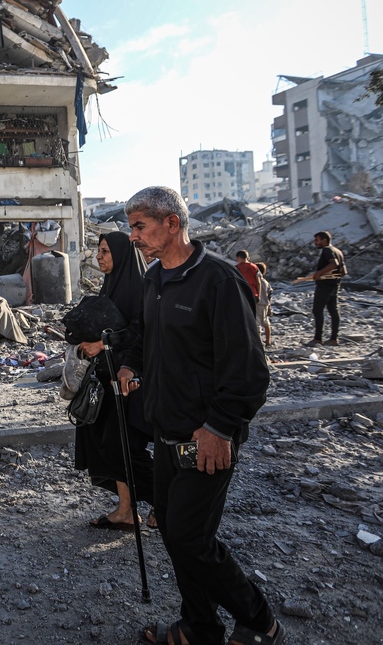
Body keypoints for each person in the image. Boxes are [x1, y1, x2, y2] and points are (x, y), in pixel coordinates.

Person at [117, 187, 283, 645]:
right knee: (175, 534)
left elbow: (249, 371)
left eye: (139, 226)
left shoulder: (219, 280)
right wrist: (131, 364)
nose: (133, 237)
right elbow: (145, 336)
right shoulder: (154, 278)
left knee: (191, 538)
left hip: (206, 436)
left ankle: (261, 623)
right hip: (166, 432)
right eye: (131, 227)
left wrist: (220, 428)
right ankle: (200, 628)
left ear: (171, 223)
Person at [75, 232, 155, 531]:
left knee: (125, 447)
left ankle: (166, 501)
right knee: (107, 444)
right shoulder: (111, 284)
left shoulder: (141, 286)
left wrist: (102, 343)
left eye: (105, 251)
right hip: (107, 378)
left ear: (121, 255)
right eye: (99, 251)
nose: (99, 256)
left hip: (130, 381)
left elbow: (141, 330)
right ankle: (126, 510)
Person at [302, 231, 344, 346]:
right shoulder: (338, 251)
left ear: (324, 240)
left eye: (317, 240)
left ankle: (318, 338)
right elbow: (343, 272)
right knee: (333, 311)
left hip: (324, 286)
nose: (315, 243)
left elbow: (334, 264)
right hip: (334, 285)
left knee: (317, 310)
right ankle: (334, 338)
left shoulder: (327, 250)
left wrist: (319, 273)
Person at [255, 263, 273, 347]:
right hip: (265, 304)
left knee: (257, 324)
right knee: (266, 323)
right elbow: (269, 295)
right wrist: (269, 307)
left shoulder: (255, 282)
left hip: (257, 304)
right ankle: (268, 342)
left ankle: (258, 343)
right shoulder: (266, 282)